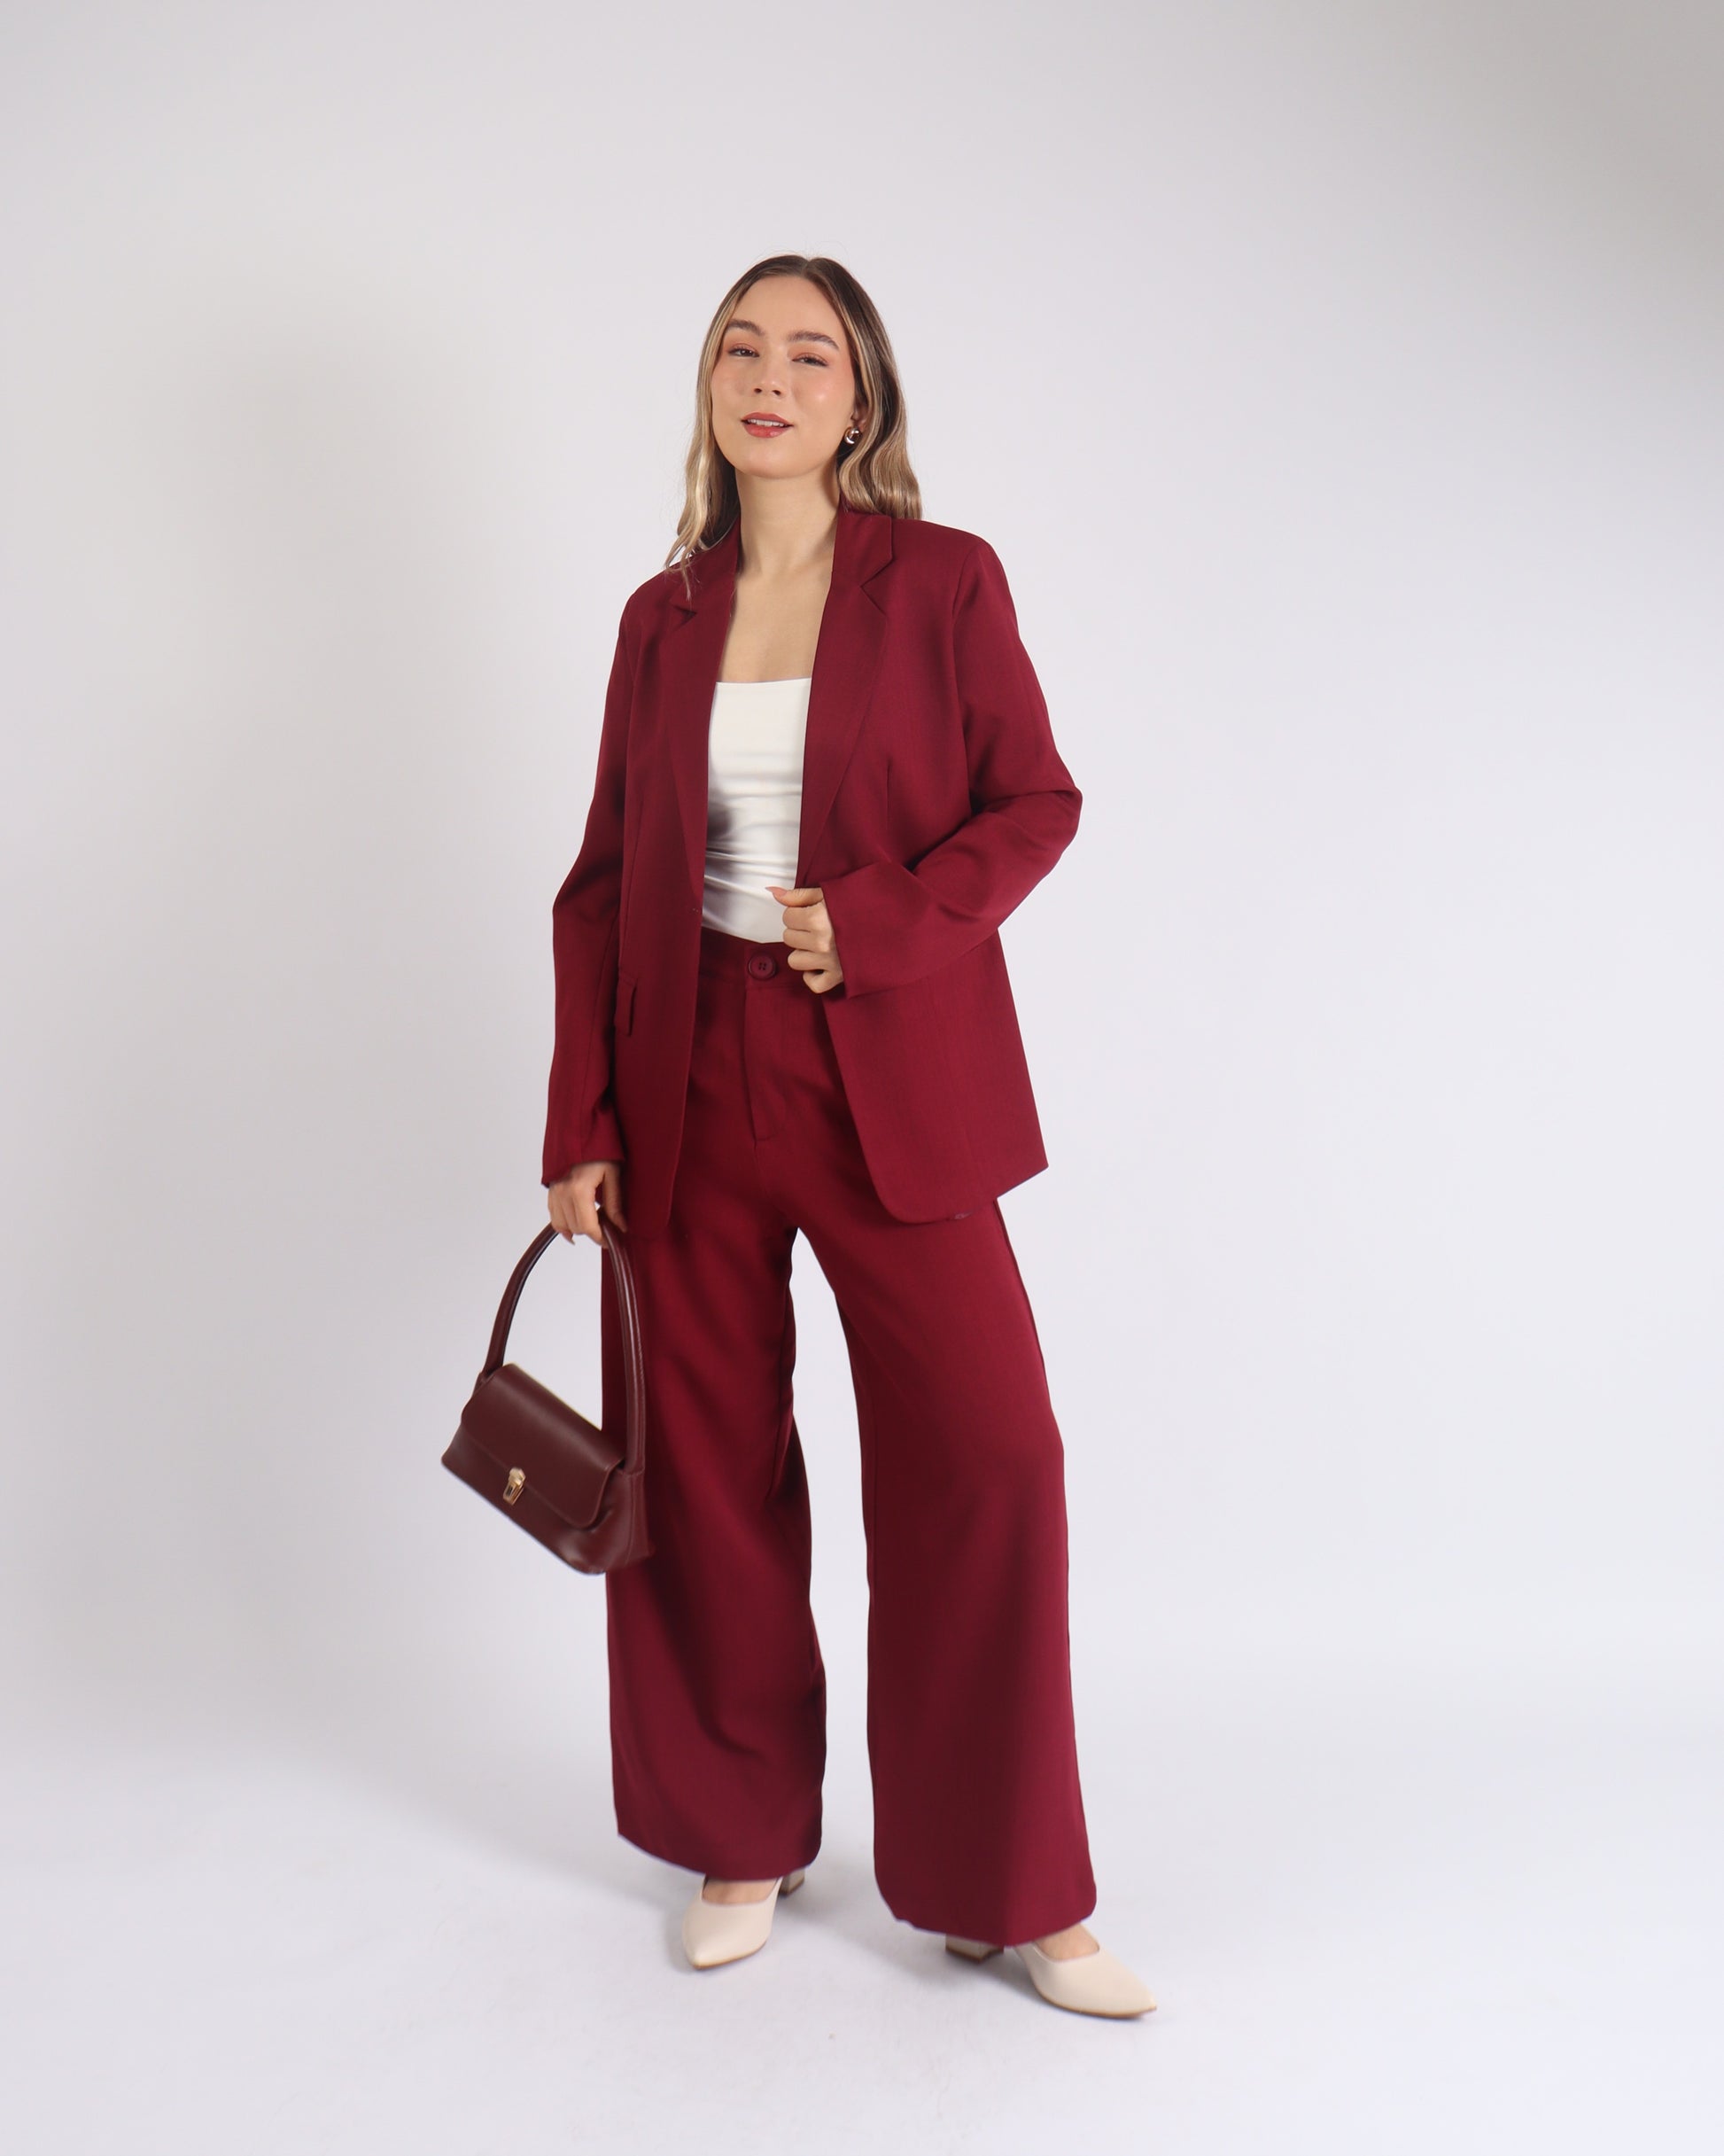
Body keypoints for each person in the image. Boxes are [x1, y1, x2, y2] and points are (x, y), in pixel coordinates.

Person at [541, 253, 1154, 2019]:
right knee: (701, 1470)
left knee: (988, 1455)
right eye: (740, 348)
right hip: (681, 1081)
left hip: (886, 1066)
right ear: (709, 387)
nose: (769, 377)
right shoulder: (662, 613)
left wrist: (875, 922)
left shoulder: (942, 580)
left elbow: (1034, 800)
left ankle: (1004, 1886)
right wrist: (580, 1113)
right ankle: (740, 1831)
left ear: (859, 396)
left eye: (809, 354)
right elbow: (601, 878)